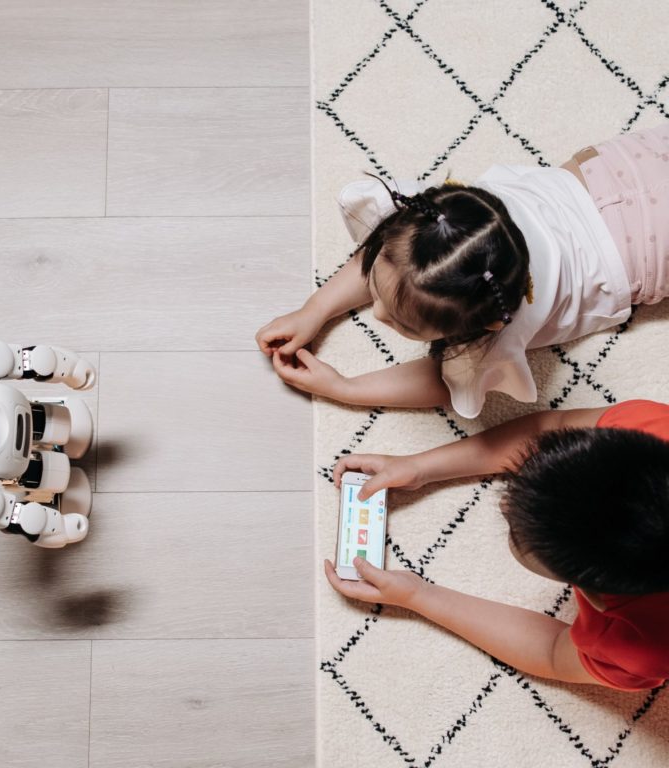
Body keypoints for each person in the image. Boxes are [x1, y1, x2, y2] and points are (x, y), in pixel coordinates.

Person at [256, 122, 669, 418]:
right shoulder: (450, 225)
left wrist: (344, 388)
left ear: (484, 325)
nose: (378, 314)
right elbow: (394, 260)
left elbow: (443, 382)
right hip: (620, 170)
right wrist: (315, 309)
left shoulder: (497, 332)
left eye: (403, 324)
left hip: (644, 248)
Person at [325, 399, 669, 690]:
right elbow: (552, 426)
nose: (504, 504)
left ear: (596, 599)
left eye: (515, 532)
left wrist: (420, 596)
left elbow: (552, 652)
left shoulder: (643, 647)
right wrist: (421, 466)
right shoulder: (649, 424)